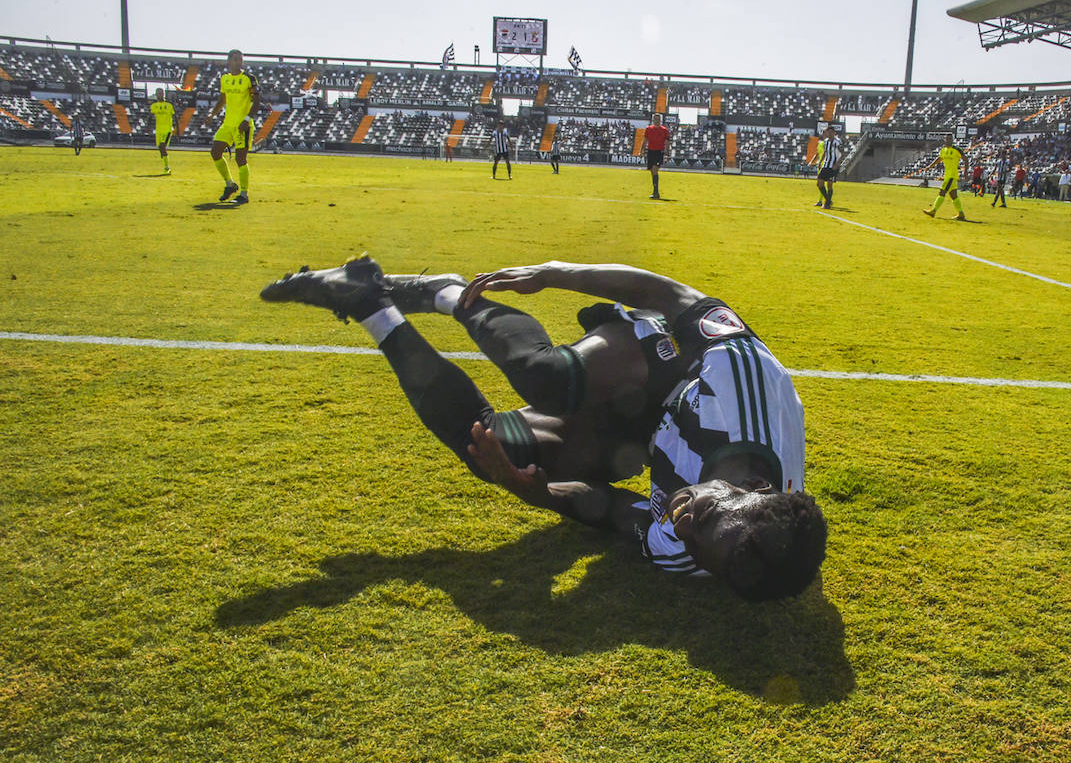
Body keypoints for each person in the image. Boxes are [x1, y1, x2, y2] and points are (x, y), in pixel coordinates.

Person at [259, 256, 827, 601]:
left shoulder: (698, 553)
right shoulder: (744, 382)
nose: (684, 519)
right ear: (758, 491)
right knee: (545, 379)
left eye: (695, 541)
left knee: (490, 448)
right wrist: (556, 274)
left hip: (650, 430)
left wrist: (535, 492)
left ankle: (367, 301)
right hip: (667, 364)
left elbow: (609, 510)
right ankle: (450, 293)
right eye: (707, 513)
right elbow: (669, 295)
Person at [207, 49, 259, 204]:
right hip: (228, 124)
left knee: (240, 158)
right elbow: (222, 99)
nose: (239, 62)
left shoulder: (249, 78)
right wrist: (212, 114)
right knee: (215, 152)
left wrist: (247, 118)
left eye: (240, 59)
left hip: (243, 125)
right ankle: (230, 184)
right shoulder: (225, 79)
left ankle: (244, 194)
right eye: (235, 59)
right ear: (229, 61)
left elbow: (257, 102)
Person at [922, 134, 967, 221]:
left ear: (952, 140)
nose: (948, 140)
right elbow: (939, 158)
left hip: (952, 176)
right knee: (953, 195)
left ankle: (933, 210)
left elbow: (966, 160)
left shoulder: (957, 150)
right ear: (945, 140)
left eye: (950, 139)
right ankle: (961, 213)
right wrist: (930, 166)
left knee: (942, 192)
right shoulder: (943, 150)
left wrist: (965, 172)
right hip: (948, 175)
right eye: (947, 139)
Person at [150, 88, 176, 174]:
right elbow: (150, 117)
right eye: (158, 93)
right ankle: (165, 165)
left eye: (161, 93)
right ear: (156, 94)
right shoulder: (154, 106)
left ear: (163, 94)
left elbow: (175, 117)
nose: (160, 95)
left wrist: (177, 130)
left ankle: (167, 167)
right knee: (160, 149)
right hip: (159, 130)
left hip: (167, 130)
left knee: (162, 146)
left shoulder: (169, 105)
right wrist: (148, 126)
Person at [644, 113, 670, 199]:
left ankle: (656, 192)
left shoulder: (664, 130)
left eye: (658, 119)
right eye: (655, 119)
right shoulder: (648, 129)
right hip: (651, 152)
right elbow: (645, 140)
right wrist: (641, 151)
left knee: (655, 170)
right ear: (653, 120)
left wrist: (667, 153)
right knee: (652, 171)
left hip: (659, 152)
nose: (656, 120)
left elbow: (667, 142)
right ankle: (655, 192)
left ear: (660, 120)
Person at [814, 125, 840, 209]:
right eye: (828, 132)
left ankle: (827, 204)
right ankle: (828, 201)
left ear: (834, 133)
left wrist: (837, 164)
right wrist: (820, 162)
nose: (829, 133)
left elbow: (842, 154)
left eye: (831, 132)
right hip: (825, 165)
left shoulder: (837, 142)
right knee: (819, 183)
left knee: (829, 185)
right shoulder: (825, 142)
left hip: (833, 166)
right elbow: (825, 153)